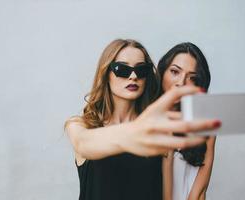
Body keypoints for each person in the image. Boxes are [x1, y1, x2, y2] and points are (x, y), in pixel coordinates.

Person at [65, 39, 220, 200]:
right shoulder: (79, 125)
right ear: (106, 74)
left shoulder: (159, 132)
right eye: (122, 69)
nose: (133, 76)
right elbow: (83, 143)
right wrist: (135, 131)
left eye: (141, 69)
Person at [157, 42, 216, 200]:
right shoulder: (143, 119)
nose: (181, 83)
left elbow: (199, 193)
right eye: (175, 72)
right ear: (162, 72)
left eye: (192, 78)